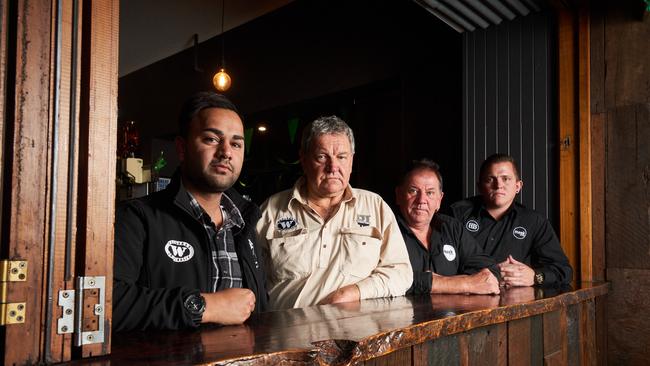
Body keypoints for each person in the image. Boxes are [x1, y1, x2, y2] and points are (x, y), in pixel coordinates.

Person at [113, 92, 268, 331]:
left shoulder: (245, 221)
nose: (226, 152)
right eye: (211, 139)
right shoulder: (137, 217)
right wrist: (206, 306)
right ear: (182, 148)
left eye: (236, 143)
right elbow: (109, 303)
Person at [256, 116, 413, 310]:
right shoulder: (270, 210)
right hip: (290, 337)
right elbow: (250, 282)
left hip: (358, 335)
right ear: (303, 160)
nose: (333, 168)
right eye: (322, 157)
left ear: (352, 160)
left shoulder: (375, 206)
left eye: (341, 157)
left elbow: (401, 273)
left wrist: (354, 292)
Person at [450, 153, 572, 287]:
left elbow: (564, 271)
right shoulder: (457, 214)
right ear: (480, 187)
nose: (498, 185)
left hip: (513, 302)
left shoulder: (534, 222)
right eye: (490, 179)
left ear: (518, 186)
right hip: (464, 298)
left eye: (506, 178)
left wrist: (535, 276)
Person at [395, 159, 500, 295]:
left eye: (430, 193)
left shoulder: (452, 228)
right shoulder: (385, 230)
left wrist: (445, 283)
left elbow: (490, 271)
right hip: (405, 315)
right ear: (398, 195)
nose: (421, 200)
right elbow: (384, 280)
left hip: (454, 314)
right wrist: (462, 284)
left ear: (439, 200)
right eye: (413, 191)